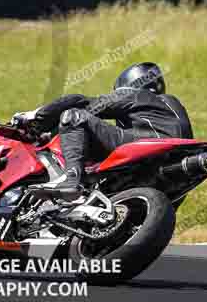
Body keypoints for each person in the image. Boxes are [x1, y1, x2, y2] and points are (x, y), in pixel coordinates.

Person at [11, 62, 191, 200]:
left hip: (149, 147)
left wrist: (37, 118)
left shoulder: (139, 95)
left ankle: (72, 179)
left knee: (74, 116)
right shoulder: (173, 106)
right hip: (172, 174)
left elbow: (84, 103)